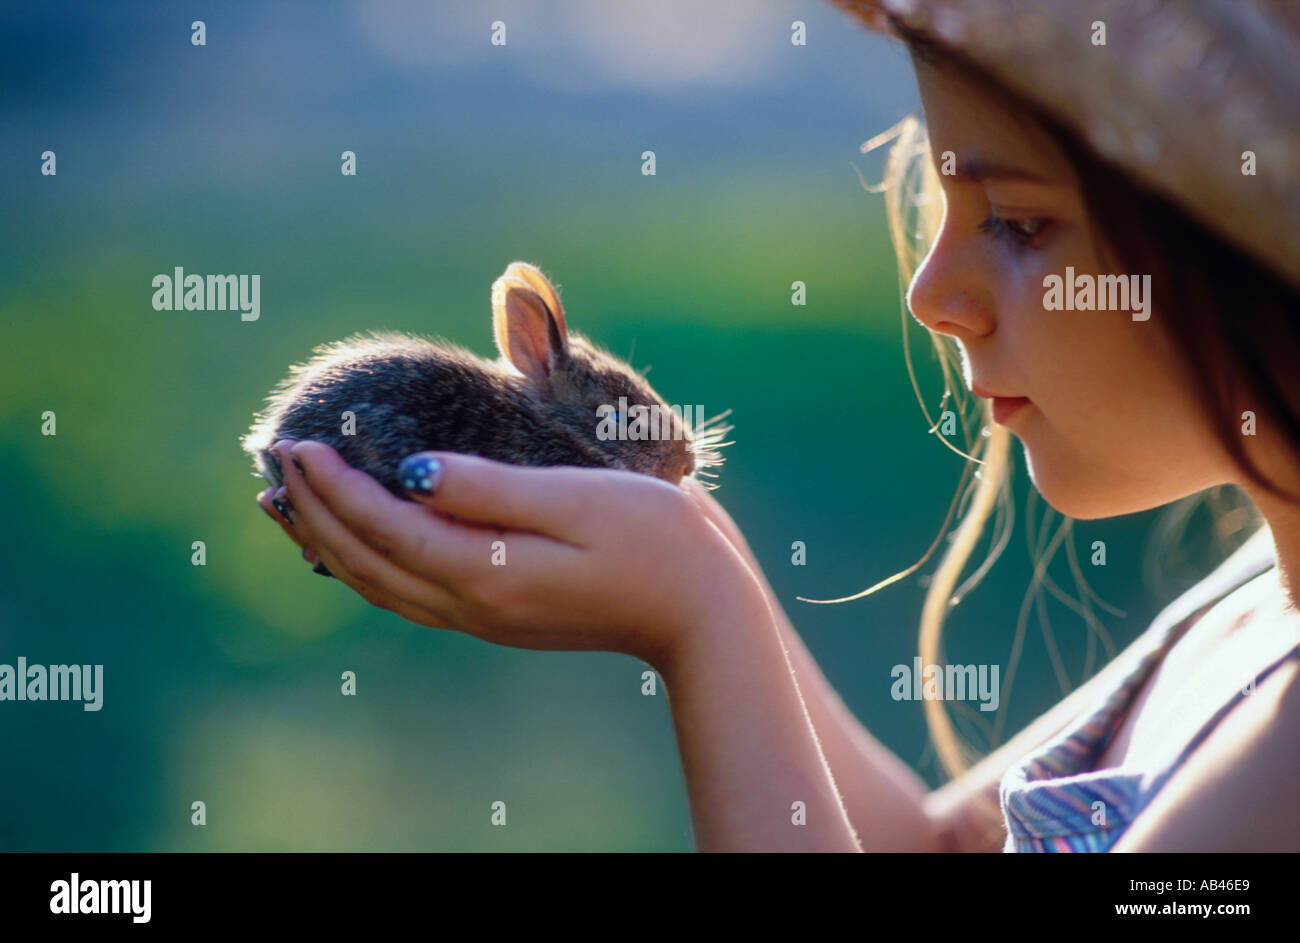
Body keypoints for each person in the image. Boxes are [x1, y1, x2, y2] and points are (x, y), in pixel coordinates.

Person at [255, 0, 1300, 851]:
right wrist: (699, 557)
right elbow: (923, 848)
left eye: (1019, 225)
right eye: (942, 214)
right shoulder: (1243, 611)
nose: (928, 293)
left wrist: (697, 624)